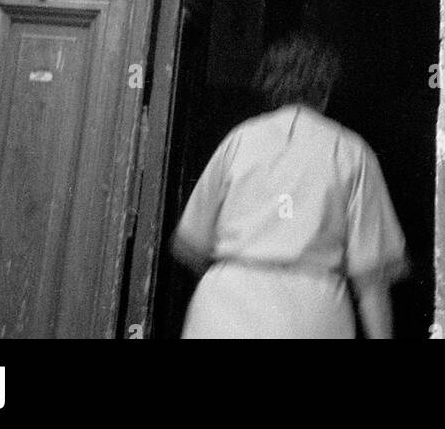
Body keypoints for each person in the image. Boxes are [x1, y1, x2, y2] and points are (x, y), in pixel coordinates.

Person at [172, 31, 407, 339]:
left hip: (223, 313)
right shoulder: (350, 151)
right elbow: (372, 275)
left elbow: (188, 244)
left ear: (272, 88)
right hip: (311, 316)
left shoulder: (239, 140)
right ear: (325, 91)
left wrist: (238, 274)